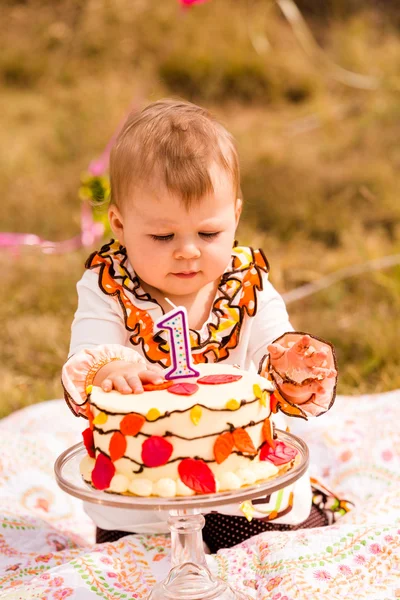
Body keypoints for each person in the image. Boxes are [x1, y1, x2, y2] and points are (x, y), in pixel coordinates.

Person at [62, 98, 342, 550]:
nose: (188, 251)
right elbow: (90, 348)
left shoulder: (246, 285)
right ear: (119, 223)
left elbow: (272, 343)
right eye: (163, 236)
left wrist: (291, 368)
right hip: (143, 499)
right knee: (131, 558)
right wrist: (110, 370)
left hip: (241, 490)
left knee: (279, 543)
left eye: (207, 233)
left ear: (235, 215)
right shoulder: (108, 286)